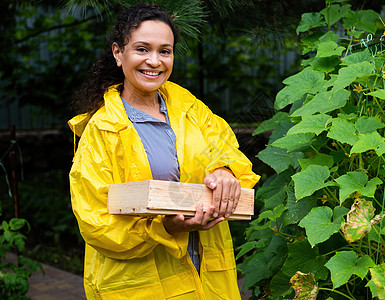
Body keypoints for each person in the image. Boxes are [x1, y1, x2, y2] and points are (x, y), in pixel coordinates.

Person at [68, 3, 260, 299]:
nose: (154, 61)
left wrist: (225, 171)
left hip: (208, 274)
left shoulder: (190, 108)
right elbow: (94, 222)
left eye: (165, 51)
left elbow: (227, 148)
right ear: (119, 53)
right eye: (142, 49)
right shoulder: (102, 129)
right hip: (140, 283)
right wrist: (164, 228)